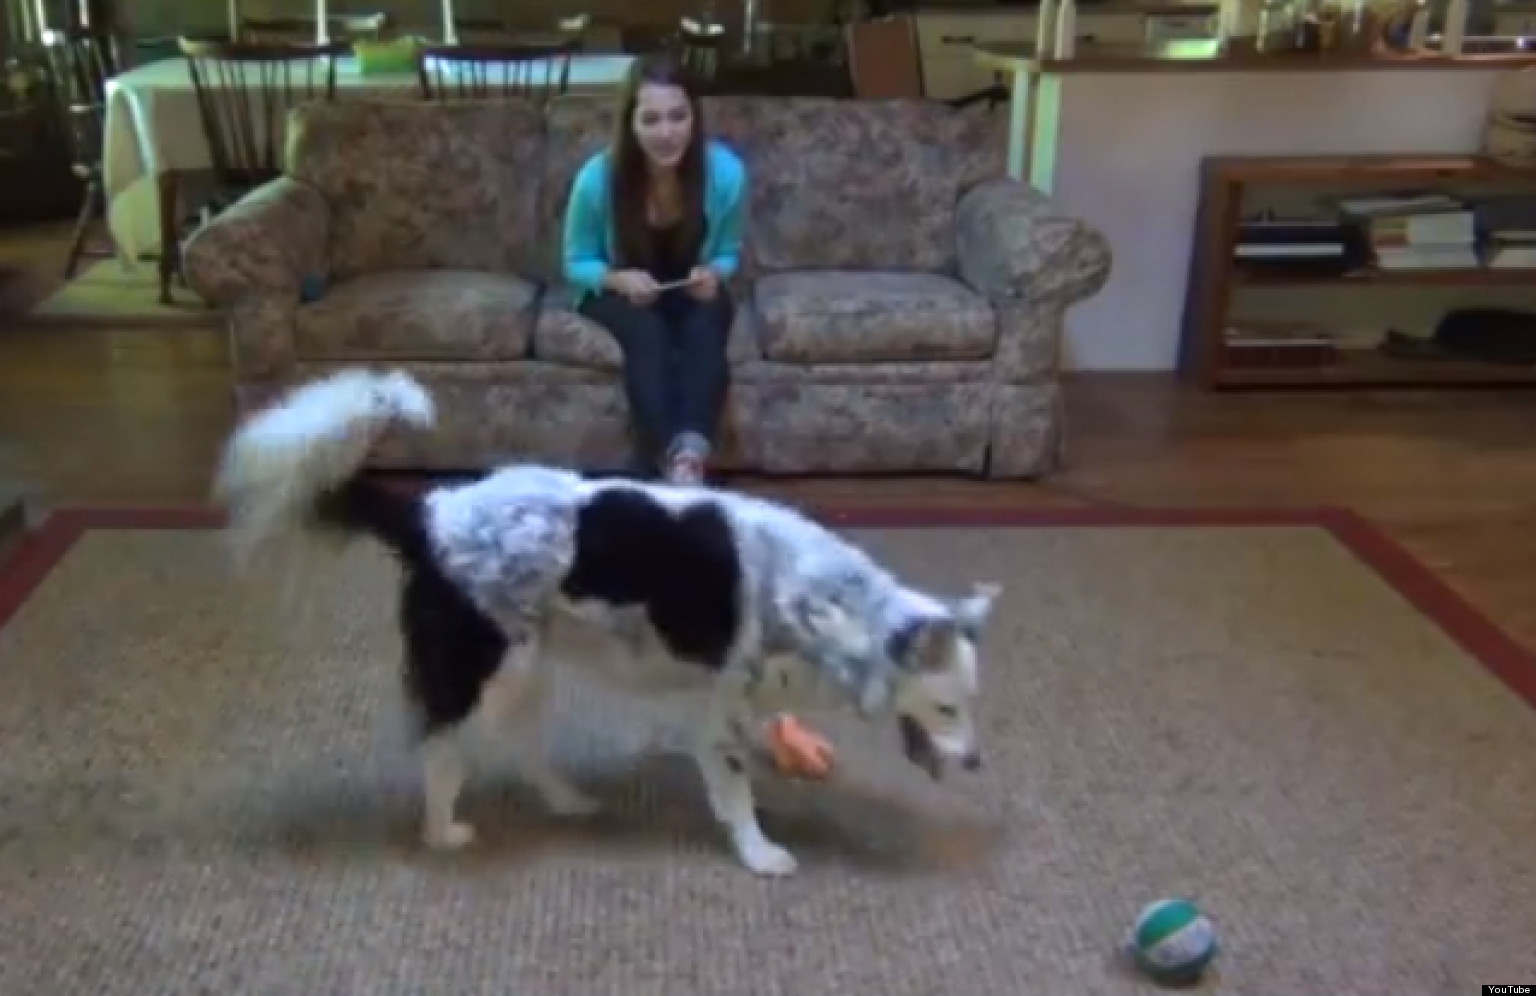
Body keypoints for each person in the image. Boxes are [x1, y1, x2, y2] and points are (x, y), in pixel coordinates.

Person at [561, 53, 746, 485]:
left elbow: (729, 252)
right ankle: (666, 456)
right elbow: (575, 262)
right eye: (651, 120)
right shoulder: (597, 177)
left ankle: (690, 457)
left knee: (710, 318)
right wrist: (615, 279)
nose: (666, 133)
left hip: (687, 283)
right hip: (619, 287)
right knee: (649, 333)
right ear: (631, 124)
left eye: (678, 117)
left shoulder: (726, 173)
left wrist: (715, 273)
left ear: (695, 118)